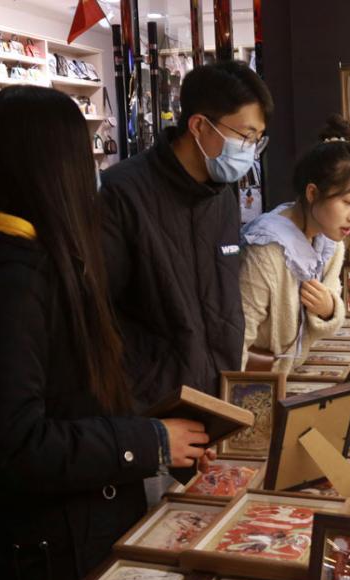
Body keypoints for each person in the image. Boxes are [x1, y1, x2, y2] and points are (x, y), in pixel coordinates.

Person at [0, 86, 212, 580]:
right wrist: (148, 442)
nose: (94, 169)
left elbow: (66, 388)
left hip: (65, 528)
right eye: (85, 153)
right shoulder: (4, 273)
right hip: (47, 549)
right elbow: (15, 441)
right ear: (55, 164)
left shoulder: (25, 253)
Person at [99, 61, 273, 409]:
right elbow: (102, 311)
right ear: (198, 125)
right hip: (153, 405)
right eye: (245, 136)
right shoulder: (125, 192)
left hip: (216, 396)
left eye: (258, 139)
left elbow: (221, 299)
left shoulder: (222, 193)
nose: (250, 150)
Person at [240, 116, 350, 373]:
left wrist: (329, 308)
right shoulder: (265, 249)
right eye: (347, 202)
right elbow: (238, 339)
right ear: (312, 193)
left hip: (292, 373)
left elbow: (334, 305)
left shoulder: (330, 242)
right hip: (260, 382)